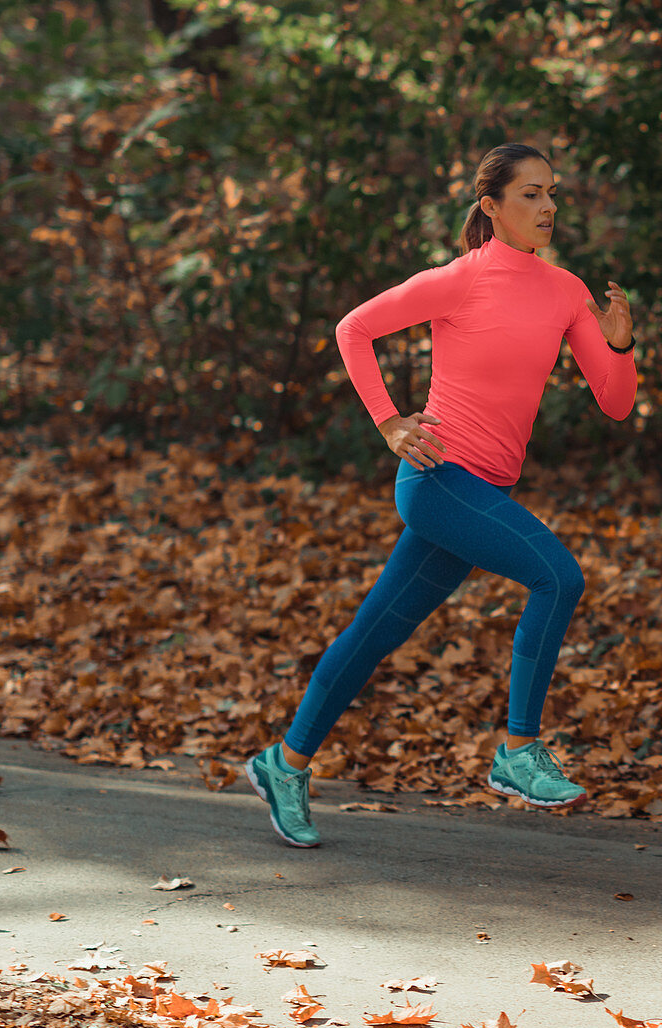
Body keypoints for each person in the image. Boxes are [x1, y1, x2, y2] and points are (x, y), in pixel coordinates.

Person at [245, 142, 636, 847]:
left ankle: (286, 762)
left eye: (552, 194)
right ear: (491, 206)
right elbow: (352, 328)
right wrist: (390, 422)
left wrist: (619, 346)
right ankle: (518, 752)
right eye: (531, 195)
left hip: (483, 489)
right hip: (437, 480)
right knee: (558, 576)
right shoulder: (459, 280)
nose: (548, 207)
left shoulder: (566, 291)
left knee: (375, 633)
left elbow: (614, 403)